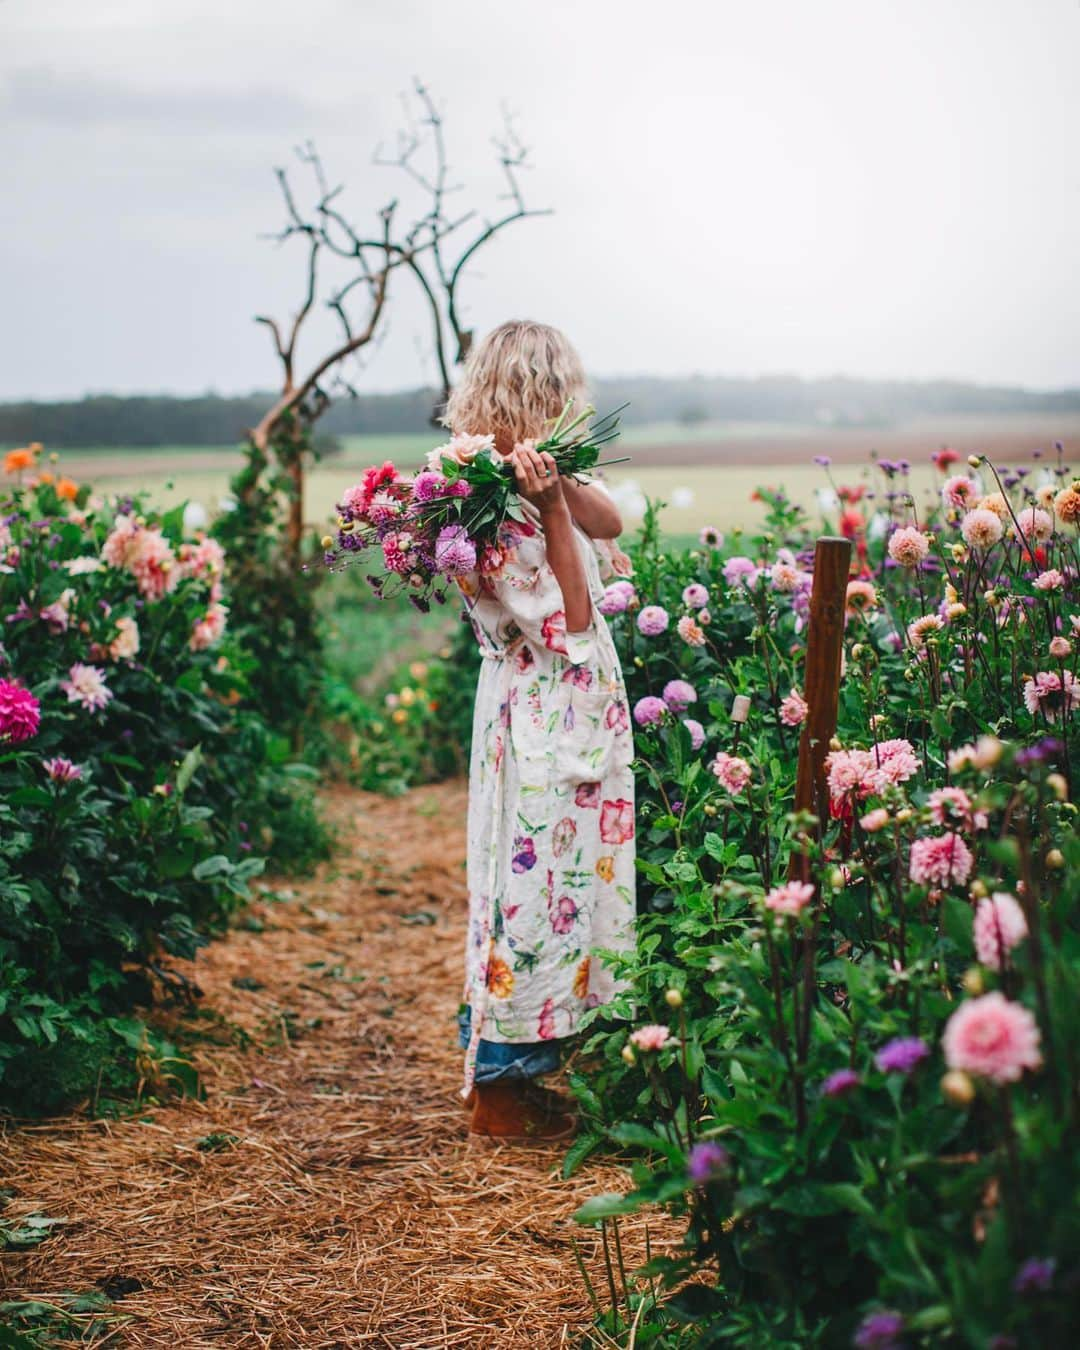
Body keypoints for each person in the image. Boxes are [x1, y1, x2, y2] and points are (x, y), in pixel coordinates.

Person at [442, 320, 637, 1141]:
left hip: (554, 714)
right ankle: (502, 1084)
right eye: (560, 394)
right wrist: (551, 504)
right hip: (544, 715)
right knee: (531, 891)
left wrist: (561, 482)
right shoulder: (486, 507)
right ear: (537, 395)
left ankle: (525, 1070)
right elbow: (571, 622)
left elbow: (613, 524)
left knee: (564, 885)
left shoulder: (512, 476)